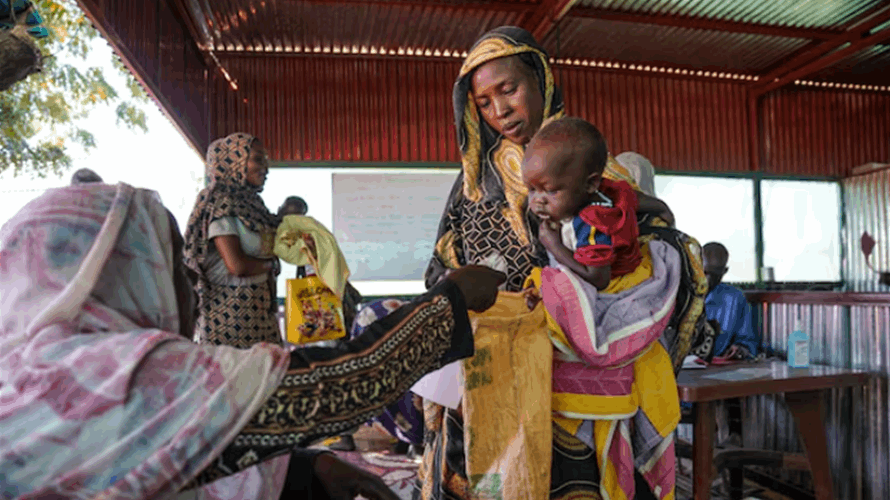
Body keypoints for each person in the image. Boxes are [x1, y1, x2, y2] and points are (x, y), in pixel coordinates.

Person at [0, 181, 506, 499]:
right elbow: (343, 384)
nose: (194, 283)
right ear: (122, 273)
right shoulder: (110, 378)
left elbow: (186, 460)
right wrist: (450, 299)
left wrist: (305, 472)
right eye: (173, 262)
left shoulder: (28, 373)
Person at [421, 26, 711, 500]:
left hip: (570, 375)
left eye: (509, 89)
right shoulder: (471, 185)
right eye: (484, 101)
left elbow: (654, 246)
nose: (500, 110)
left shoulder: (591, 167)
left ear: (540, 78)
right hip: (491, 364)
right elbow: (441, 264)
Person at [183, 132, 283, 348]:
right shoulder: (220, 202)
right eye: (257, 159)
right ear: (234, 162)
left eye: (265, 160)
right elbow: (237, 266)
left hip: (260, 313)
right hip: (229, 319)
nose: (265, 167)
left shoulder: (253, 204)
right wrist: (272, 265)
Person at [702, 242, 759, 359]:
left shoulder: (735, 298)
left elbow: (748, 342)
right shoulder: (678, 294)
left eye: (715, 275)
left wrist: (740, 349)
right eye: (705, 272)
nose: (708, 280)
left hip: (717, 367)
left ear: (725, 271)